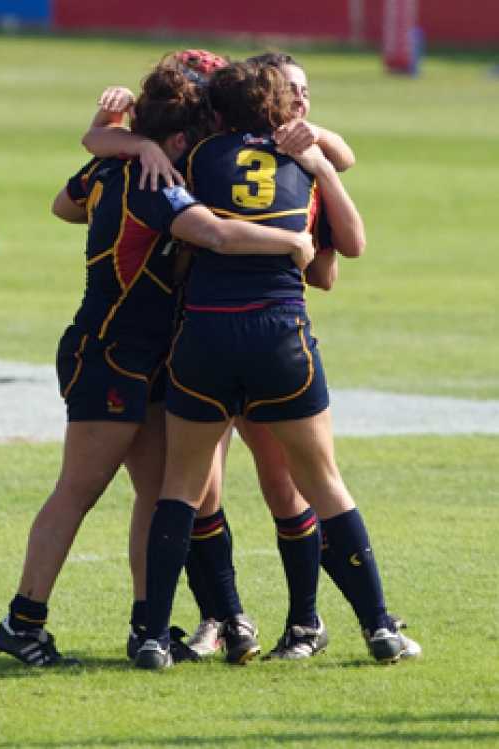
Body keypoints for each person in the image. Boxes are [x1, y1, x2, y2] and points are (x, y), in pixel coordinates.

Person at [0, 56, 315, 669]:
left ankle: (161, 623)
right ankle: (22, 622)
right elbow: (217, 235)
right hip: (112, 350)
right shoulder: (158, 183)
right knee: (78, 490)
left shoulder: (117, 165)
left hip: (150, 351)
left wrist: (124, 140)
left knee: (164, 494)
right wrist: (292, 241)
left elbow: (67, 204)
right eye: (194, 139)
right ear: (175, 138)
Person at [135, 60, 420, 669]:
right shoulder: (301, 161)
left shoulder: (196, 156)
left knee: (180, 489)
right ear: (278, 108)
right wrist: (314, 164)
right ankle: (378, 627)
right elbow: (343, 253)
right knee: (322, 485)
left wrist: (138, 143)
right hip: (279, 337)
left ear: (215, 111)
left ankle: (156, 636)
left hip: (205, 334)